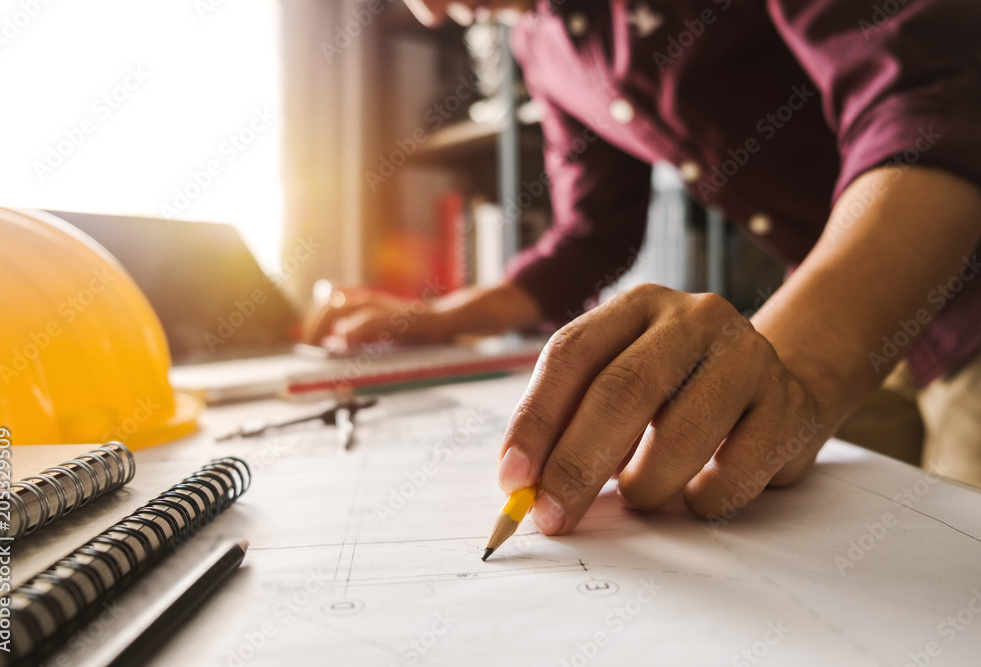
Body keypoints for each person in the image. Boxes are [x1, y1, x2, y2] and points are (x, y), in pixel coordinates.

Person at [304, 0, 981, 536]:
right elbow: (591, 234)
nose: (427, 13)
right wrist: (436, 317)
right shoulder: (539, 42)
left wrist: (803, 370)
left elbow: (931, 98)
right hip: (843, 325)